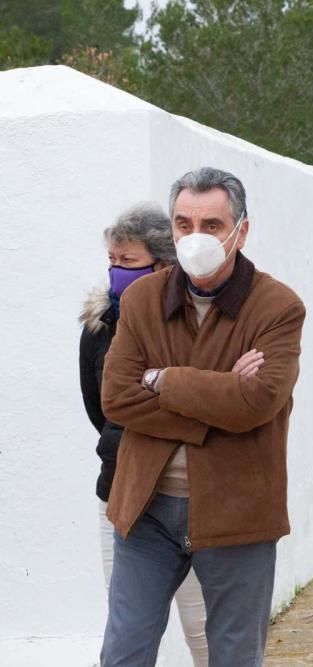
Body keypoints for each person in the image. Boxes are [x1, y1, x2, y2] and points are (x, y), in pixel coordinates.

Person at [99, 168, 306, 666]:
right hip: (145, 508)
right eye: (183, 223)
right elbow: (118, 399)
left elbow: (259, 401)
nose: (195, 237)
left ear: (241, 230)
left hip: (238, 512)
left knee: (233, 655)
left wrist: (164, 379)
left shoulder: (278, 307)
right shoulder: (142, 299)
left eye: (211, 225)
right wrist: (222, 394)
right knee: (123, 652)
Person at [79, 204, 209, 666]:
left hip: (195, 495)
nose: (116, 272)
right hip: (122, 492)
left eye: (128, 262)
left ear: (164, 264)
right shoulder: (99, 328)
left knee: (205, 630)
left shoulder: (196, 323)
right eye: (112, 261)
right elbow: (105, 410)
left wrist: (161, 404)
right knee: (126, 634)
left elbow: (214, 402)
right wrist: (166, 398)